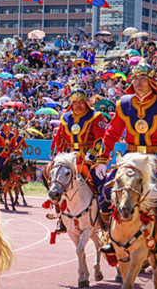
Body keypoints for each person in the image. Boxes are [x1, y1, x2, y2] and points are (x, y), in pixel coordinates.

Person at [94, 62, 157, 263]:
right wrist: (102, 160)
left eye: (143, 78)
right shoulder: (124, 104)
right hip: (130, 158)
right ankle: (109, 237)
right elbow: (111, 133)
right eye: (135, 79)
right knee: (104, 194)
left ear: (152, 81)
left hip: (156, 161)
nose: (138, 83)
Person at [51, 88, 107, 233]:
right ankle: (61, 218)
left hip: (89, 160)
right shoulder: (65, 118)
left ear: (86, 102)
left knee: (102, 186)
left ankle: (105, 218)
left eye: (81, 102)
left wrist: (93, 153)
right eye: (75, 102)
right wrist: (59, 156)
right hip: (70, 161)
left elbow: (100, 137)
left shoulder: (96, 116)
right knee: (55, 184)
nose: (78, 105)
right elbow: (60, 139)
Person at [0, 120, 16, 193]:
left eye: (10, 126)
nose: (9, 128)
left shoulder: (12, 135)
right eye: (7, 126)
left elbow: (13, 145)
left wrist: (14, 150)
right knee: (0, 167)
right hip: (1, 154)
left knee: (14, 167)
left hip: (9, 154)